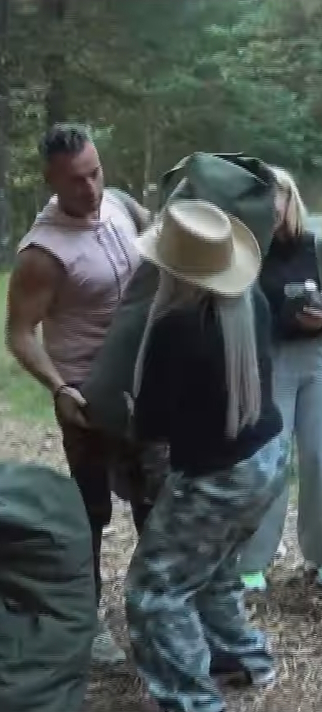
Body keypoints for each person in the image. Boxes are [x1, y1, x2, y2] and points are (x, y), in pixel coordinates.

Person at [125, 198, 285, 712]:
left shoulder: (176, 326)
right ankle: (244, 657)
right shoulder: (250, 302)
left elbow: (150, 425)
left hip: (217, 476)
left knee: (155, 593)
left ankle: (193, 702)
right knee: (215, 568)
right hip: (269, 459)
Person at [4, 123, 153, 664]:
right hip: (86, 397)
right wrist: (60, 387)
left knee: (152, 503)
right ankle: (87, 623)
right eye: (74, 182)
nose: (89, 189)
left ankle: (154, 610)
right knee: (90, 512)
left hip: (142, 385)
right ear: (50, 181)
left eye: (94, 172)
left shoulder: (118, 204)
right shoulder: (41, 252)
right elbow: (18, 333)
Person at [238, 167, 322, 592]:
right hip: (272, 362)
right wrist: (289, 320)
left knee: (317, 458)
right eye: (264, 205)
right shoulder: (249, 254)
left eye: (278, 202)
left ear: (292, 202)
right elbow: (244, 317)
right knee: (272, 463)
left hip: (319, 361)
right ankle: (253, 560)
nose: (273, 212)